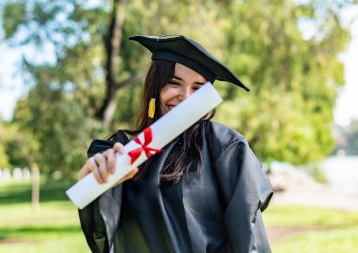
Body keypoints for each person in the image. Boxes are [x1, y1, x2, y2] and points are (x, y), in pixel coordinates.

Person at [77, 35, 273, 253]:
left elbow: (248, 233)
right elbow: (102, 227)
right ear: (155, 87)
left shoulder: (225, 147)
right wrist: (96, 182)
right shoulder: (124, 151)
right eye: (174, 83)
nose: (185, 97)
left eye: (197, 88)